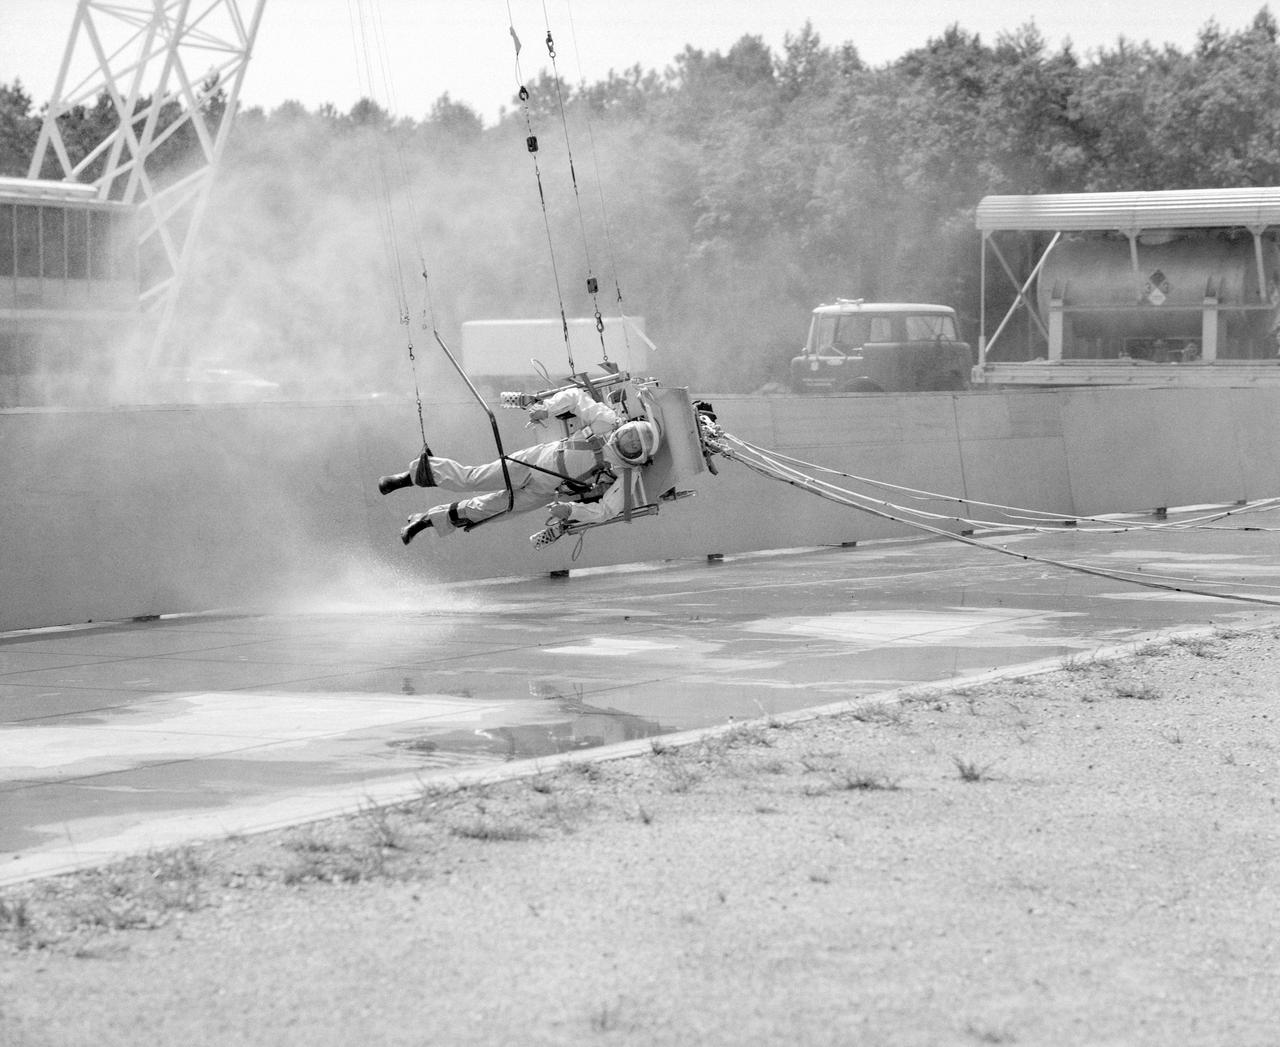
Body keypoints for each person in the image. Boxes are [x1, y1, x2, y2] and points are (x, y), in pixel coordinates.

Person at [377, 385, 661, 545]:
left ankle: (426, 520)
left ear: (640, 454)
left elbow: (606, 511)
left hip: (547, 492)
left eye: (637, 445)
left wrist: (571, 510)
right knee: (473, 479)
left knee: (490, 509)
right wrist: (546, 408)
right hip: (535, 461)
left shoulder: (627, 474)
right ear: (628, 427)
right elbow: (576, 398)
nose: (630, 442)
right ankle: (410, 475)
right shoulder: (608, 421)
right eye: (633, 435)